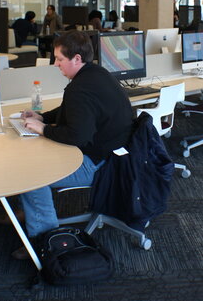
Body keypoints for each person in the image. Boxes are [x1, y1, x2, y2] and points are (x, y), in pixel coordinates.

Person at [13, 31, 134, 258]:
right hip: (116, 156)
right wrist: (43, 117)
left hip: (98, 164)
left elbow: (77, 135)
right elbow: (74, 112)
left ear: (76, 59)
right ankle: (29, 210)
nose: (56, 64)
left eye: (59, 59)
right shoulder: (96, 74)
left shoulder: (80, 87)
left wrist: (44, 129)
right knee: (33, 158)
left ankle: (45, 240)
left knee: (32, 175)